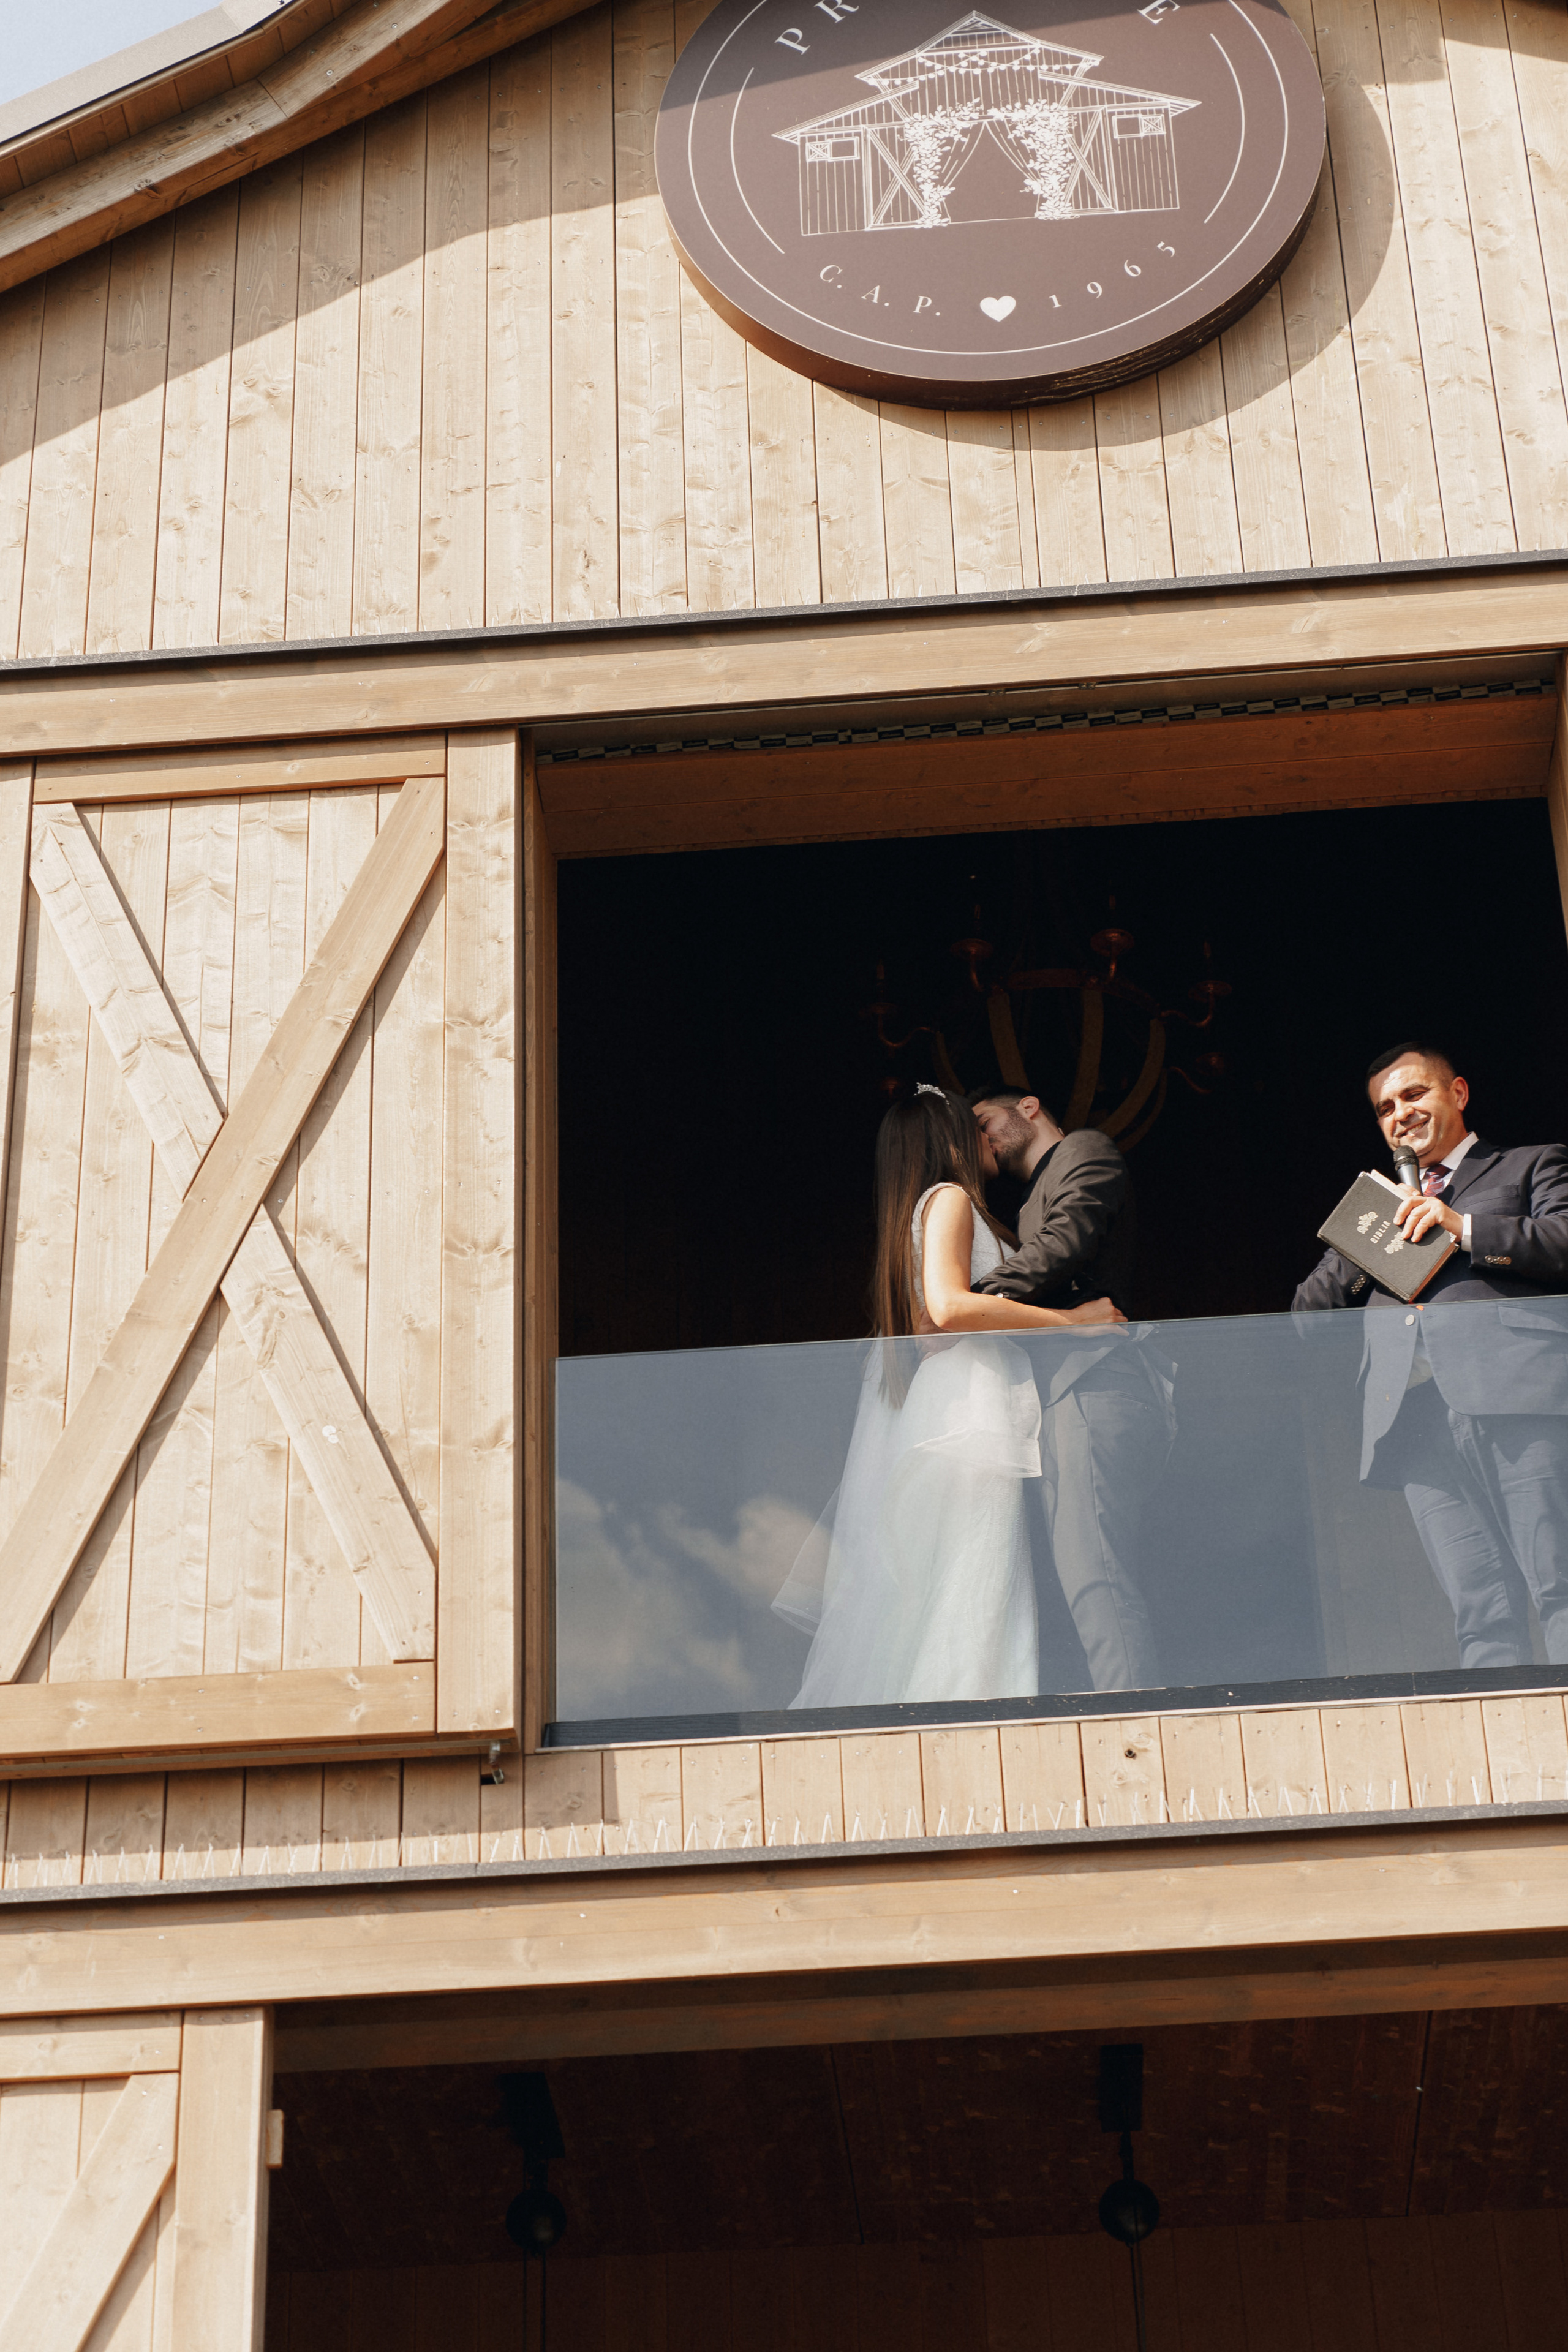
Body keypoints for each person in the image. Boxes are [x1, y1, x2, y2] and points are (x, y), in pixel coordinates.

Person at [774, 1084, 1123, 1707]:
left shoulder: (923, 1209)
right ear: (950, 1138)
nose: (984, 1136)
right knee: (974, 1582)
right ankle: (974, 1718)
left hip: (952, 1409)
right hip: (968, 1415)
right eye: (973, 1125)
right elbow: (949, 1307)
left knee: (943, 1585)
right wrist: (1073, 1322)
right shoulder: (950, 1199)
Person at [1293, 1042, 1568, 1668]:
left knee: (1559, 1583)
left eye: (1414, 1094)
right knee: (1478, 1612)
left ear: (1458, 1093)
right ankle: (1505, 1756)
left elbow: (1563, 1239)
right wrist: (1369, 1236)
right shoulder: (1379, 1207)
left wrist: (1460, 1226)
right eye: (1385, 1108)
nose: (1400, 1114)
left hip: (1517, 1400)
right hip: (1413, 1421)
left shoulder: (1528, 1165)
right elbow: (1307, 1317)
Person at [967, 1087, 1170, 1692]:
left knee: (1096, 1574)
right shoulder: (1027, 1201)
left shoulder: (1085, 1148)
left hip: (1093, 1381)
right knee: (1085, 1574)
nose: (982, 1138)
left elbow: (1065, 1244)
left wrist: (964, 1302)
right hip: (1068, 1390)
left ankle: (1136, 1736)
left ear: (1027, 1106)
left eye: (984, 1121)